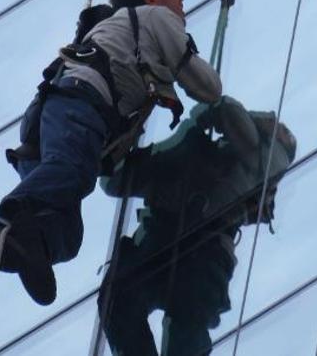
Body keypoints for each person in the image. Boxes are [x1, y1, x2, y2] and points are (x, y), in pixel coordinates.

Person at [0, 0, 221, 305]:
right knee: (73, 172)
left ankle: (31, 244)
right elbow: (208, 87)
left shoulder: (118, 31)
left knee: (68, 229)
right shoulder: (155, 16)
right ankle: (3, 222)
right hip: (80, 104)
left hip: (47, 119)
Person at [98, 96, 296, 356]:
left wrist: (195, 124)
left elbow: (224, 108)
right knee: (183, 327)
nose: (274, 120)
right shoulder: (222, 160)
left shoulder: (265, 153)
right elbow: (117, 181)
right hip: (196, 250)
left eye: (279, 125)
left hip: (181, 243)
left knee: (124, 301)